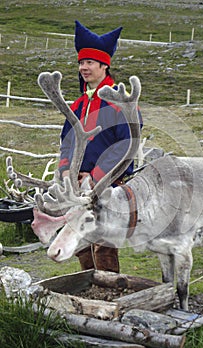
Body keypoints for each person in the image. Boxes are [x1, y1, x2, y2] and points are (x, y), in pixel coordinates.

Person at [58, 20, 142, 273]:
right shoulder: (77, 105)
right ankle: (87, 282)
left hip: (107, 184)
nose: (84, 67)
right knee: (81, 238)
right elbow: (66, 142)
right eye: (81, 63)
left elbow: (126, 145)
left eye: (90, 63)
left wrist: (95, 177)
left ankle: (108, 286)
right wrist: (66, 172)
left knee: (103, 241)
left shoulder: (121, 102)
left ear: (104, 65)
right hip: (75, 184)